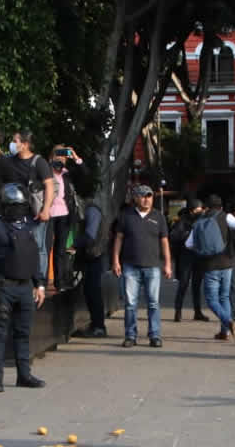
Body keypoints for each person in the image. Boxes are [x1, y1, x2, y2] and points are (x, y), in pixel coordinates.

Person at [0, 183, 47, 391]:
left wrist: (40, 284)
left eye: (21, 204)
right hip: (2, 287)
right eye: (14, 205)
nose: (18, 208)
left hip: (25, 286)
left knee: (23, 332)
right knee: (0, 333)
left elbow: (33, 256)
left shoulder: (27, 227)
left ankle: (24, 375)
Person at [186, 194, 235, 341]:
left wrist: (202, 248)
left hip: (210, 265)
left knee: (211, 300)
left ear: (206, 207)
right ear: (221, 207)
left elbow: (188, 244)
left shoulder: (200, 220)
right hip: (228, 263)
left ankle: (227, 321)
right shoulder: (225, 217)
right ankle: (225, 332)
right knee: (224, 297)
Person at [112, 185, 172, 347]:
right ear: (135, 198)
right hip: (130, 266)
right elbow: (118, 239)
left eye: (149, 196)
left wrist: (167, 264)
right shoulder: (126, 216)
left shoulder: (158, 217)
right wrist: (115, 260)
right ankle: (130, 335)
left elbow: (164, 241)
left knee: (153, 302)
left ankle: (155, 335)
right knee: (130, 304)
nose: (147, 199)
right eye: (143, 196)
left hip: (152, 266)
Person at [7, 130, 55, 280]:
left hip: (35, 212)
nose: (12, 144)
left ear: (25, 144)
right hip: (15, 212)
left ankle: (39, 282)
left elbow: (50, 185)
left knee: (39, 247)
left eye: (16, 141)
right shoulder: (10, 161)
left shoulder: (38, 162)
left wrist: (46, 209)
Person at [70, 187, 109, 338]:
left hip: (94, 257)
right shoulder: (91, 210)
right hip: (93, 256)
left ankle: (98, 327)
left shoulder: (92, 211)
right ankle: (96, 325)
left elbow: (90, 235)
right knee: (90, 292)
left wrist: (73, 245)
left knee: (93, 292)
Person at [48, 145, 82, 290]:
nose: (60, 157)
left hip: (64, 214)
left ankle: (59, 282)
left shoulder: (67, 173)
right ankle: (41, 282)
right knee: (44, 247)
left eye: (63, 155)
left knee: (60, 249)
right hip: (47, 213)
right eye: (57, 154)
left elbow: (84, 174)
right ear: (51, 156)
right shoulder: (46, 171)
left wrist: (75, 157)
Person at [169, 200, 207, 322]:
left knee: (197, 285)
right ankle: (178, 311)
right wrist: (189, 235)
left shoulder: (202, 220)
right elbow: (174, 236)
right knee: (183, 284)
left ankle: (197, 312)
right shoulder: (182, 221)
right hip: (186, 256)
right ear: (192, 210)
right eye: (198, 209)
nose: (200, 211)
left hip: (199, 256)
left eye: (201, 209)